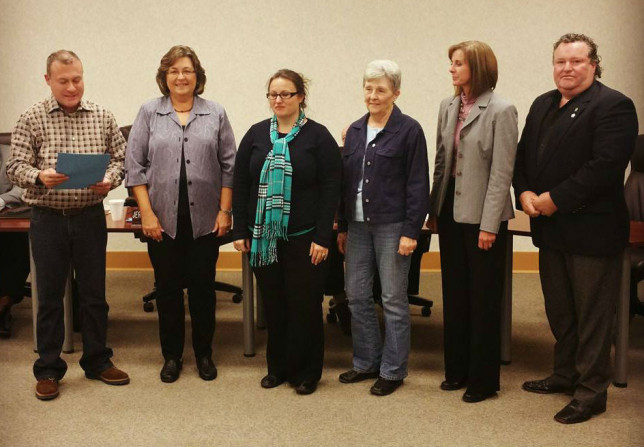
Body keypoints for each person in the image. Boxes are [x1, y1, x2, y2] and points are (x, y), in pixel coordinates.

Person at [513, 33, 638, 424]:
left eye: (576, 61)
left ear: (594, 64)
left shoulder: (613, 105)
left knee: (592, 316)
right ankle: (565, 373)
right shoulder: (543, 103)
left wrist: (554, 199)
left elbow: (604, 168)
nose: (567, 68)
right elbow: (523, 158)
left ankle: (591, 392)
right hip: (551, 230)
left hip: (592, 230)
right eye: (560, 61)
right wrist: (526, 191)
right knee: (561, 310)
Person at [7, 50, 129, 401]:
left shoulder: (103, 116)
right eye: (63, 81)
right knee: (48, 298)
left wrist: (109, 179)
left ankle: (97, 360)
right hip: (48, 219)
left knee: (94, 295)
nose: (72, 86)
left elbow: (120, 159)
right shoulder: (32, 118)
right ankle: (47, 369)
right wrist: (39, 176)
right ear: (48, 80)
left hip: (90, 217)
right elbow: (14, 167)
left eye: (77, 79)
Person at [126, 45, 236, 383]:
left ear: (197, 76)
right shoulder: (149, 112)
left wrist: (224, 211)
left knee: (203, 290)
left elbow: (229, 167)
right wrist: (146, 214)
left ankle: (204, 353)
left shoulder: (215, 113)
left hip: (205, 219)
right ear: (164, 77)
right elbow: (135, 167)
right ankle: (172, 356)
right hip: (162, 220)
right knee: (168, 289)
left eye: (187, 70)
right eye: (174, 71)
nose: (181, 76)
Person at [232, 69, 341, 395]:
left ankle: (306, 372)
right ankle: (277, 367)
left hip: (306, 239)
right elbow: (240, 183)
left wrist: (323, 237)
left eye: (286, 94)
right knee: (275, 304)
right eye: (273, 95)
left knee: (304, 306)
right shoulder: (255, 135)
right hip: (263, 239)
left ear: (300, 97)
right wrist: (240, 229)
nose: (278, 100)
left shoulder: (318, 137)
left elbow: (331, 189)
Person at [427, 41, 518, 403]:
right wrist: (433, 212)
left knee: (483, 298)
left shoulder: (502, 109)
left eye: (458, 63)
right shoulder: (447, 105)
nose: (451, 69)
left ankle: (483, 380)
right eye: (451, 63)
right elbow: (441, 162)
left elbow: (502, 172)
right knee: (455, 293)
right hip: (450, 212)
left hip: (483, 216)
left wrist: (489, 224)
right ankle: (457, 370)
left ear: (477, 67)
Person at [337, 60, 429, 396]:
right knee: (357, 296)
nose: (373, 95)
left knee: (392, 299)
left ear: (396, 93)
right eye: (369, 88)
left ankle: (393, 370)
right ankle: (365, 362)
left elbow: (418, 185)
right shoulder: (356, 130)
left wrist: (411, 232)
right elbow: (346, 183)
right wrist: (342, 226)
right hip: (358, 226)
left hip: (393, 226)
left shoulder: (409, 130)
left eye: (381, 89)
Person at [0, 144, 30, 338]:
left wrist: (1, 201)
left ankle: (3, 303)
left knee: (19, 237)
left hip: (7, 217)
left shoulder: (10, 153)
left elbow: (22, 188)